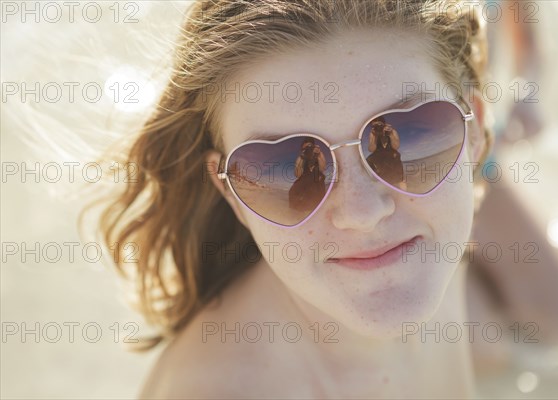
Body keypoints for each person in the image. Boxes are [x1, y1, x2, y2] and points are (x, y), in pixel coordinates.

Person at [97, 1, 495, 398]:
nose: (364, 213)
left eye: (408, 138)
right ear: (230, 194)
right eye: (285, 168)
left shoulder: (445, 213)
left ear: (474, 133)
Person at [289, 138, 327, 212]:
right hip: (304, 182)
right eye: (305, 148)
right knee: (293, 194)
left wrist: (319, 154)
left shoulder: (318, 154)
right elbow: (297, 174)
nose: (308, 149)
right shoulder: (302, 157)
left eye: (310, 147)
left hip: (316, 183)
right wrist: (301, 157)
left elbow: (322, 168)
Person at [366, 116, 404, 186]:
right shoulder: (373, 134)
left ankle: (403, 192)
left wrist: (391, 134)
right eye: (374, 126)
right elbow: (371, 149)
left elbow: (396, 147)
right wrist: (374, 137)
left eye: (379, 125)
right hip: (379, 157)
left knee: (398, 179)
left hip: (392, 155)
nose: (377, 127)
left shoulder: (391, 131)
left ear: (384, 124)